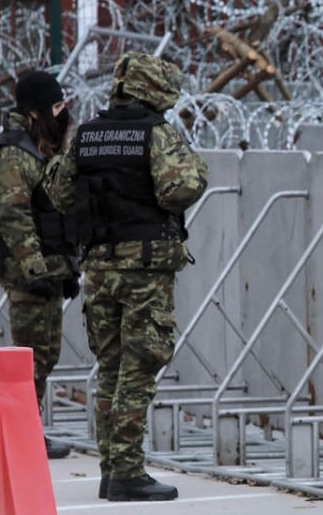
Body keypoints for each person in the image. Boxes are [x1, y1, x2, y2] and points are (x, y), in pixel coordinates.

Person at [43, 52, 208, 502]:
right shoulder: (156, 134)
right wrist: (195, 165)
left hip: (99, 268)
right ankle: (128, 473)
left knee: (111, 368)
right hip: (144, 269)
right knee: (140, 366)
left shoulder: (88, 136)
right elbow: (179, 190)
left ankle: (110, 469)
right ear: (153, 89)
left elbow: (58, 194)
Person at [0, 69, 79, 460]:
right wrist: (36, 270)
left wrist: (68, 267)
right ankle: (16, 435)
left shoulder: (41, 149)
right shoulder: (13, 154)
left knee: (45, 355)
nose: (64, 114)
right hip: (31, 276)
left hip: (51, 271)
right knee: (30, 357)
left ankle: (27, 430)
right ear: (37, 112)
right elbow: (15, 217)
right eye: (57, 107)